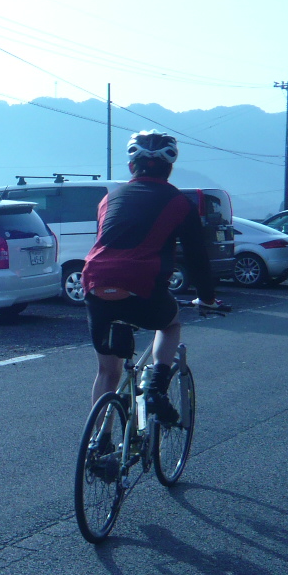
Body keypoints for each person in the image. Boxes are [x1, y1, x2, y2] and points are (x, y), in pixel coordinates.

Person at [81, 131, 219, 447]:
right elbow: (197, 257)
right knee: (169, 323)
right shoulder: (179, 203)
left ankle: (99, 444)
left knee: (107, 372)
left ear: (132, 166)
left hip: (95, 281)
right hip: (141, 285)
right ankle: (157, 386)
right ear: (169, 168)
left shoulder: (109, 198)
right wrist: (208, 297)